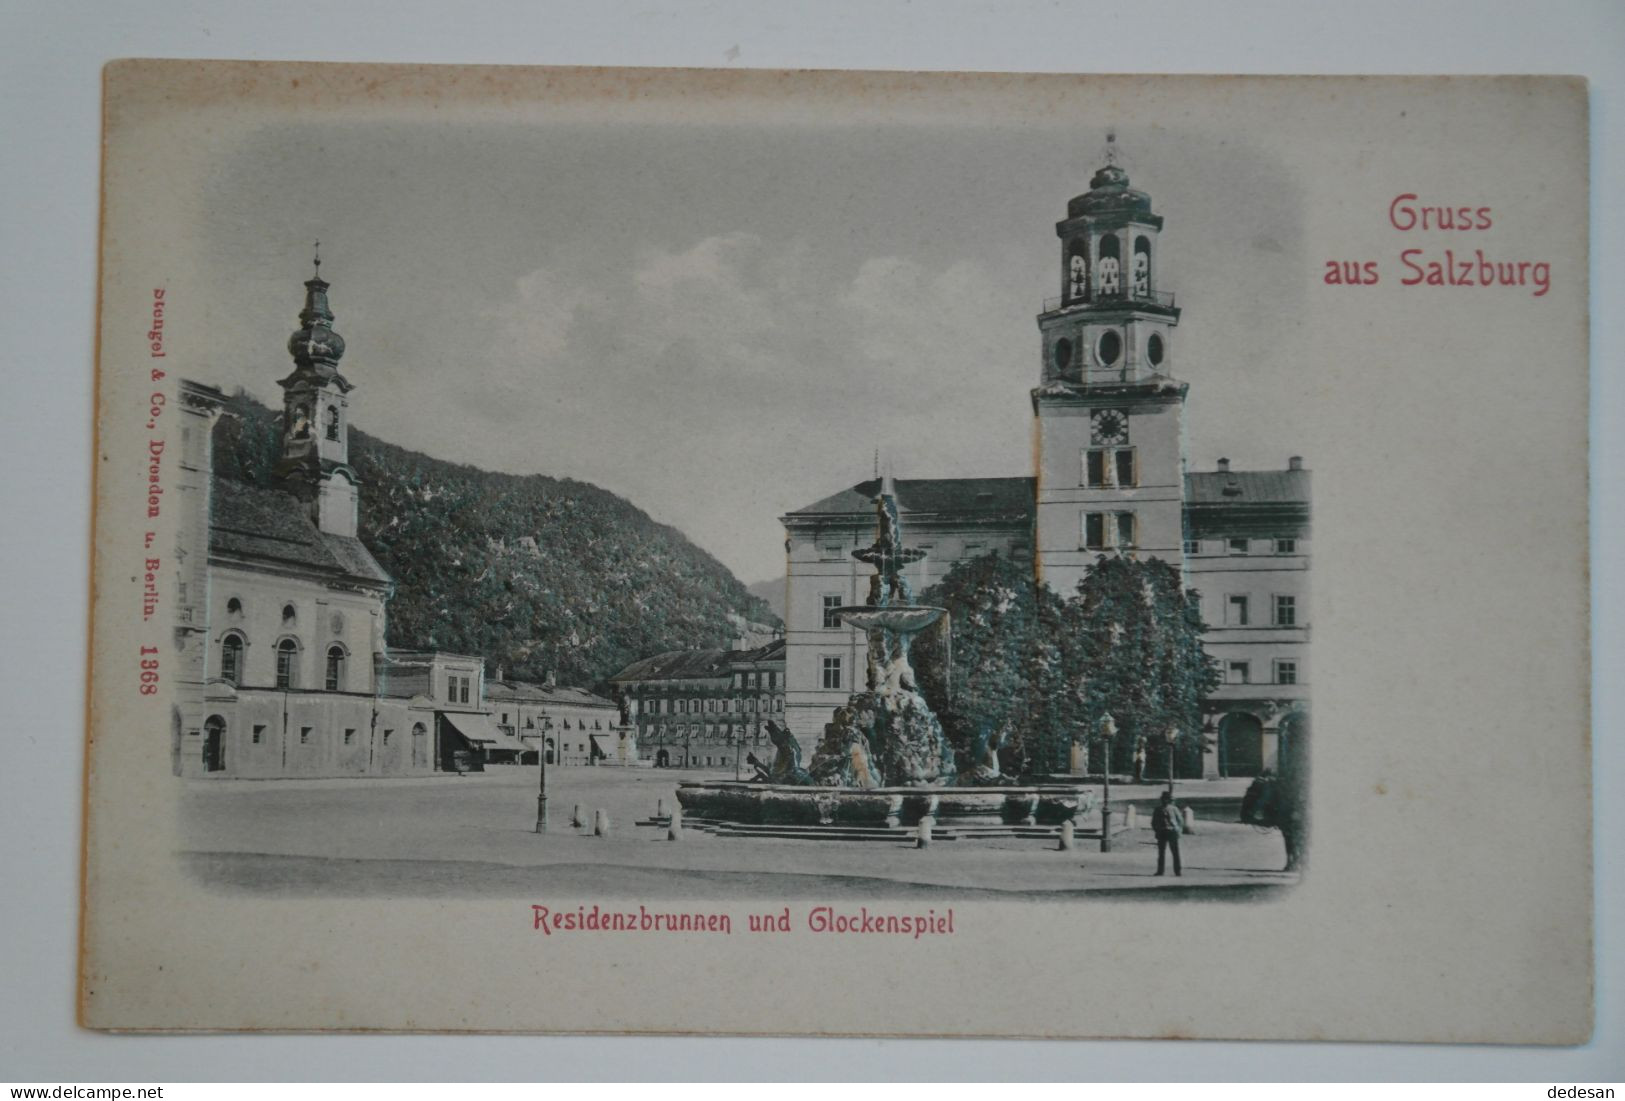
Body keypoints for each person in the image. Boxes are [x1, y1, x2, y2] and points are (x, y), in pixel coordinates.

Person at [1151, 791, 1183, 876]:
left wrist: (1179, 830)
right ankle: (1160, 871)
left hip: (1172, 831)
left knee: (1175, 852)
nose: (1165, 801)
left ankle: (1177, 870)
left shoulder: (1174, 809)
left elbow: (1180, 820)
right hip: (1162, 832)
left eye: (1167, 799)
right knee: (1161, 853)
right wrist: (1157, 830)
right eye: (1163, 799)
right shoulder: (1157, 809)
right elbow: (1154, 822)